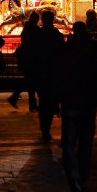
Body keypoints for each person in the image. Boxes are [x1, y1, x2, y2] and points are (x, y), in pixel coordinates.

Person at [59, 21, 97, 192]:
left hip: (70, 100)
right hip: (88, 101)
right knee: (86, 142)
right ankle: (83, 175)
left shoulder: (67, 49)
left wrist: (58, 98)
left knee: (68, 142)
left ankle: (73, 171)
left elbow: (61, 74)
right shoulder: (92, 49)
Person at [27, 8, 65, 141]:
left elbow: (32, 53)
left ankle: (44, 127)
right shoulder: (57, 35)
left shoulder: (37, 35)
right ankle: (48, 123)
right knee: (51, 98)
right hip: (53, 72)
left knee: (43, 100)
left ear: (42, 20)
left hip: (41, 72)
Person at [8, 10, 40, 111]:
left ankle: (31, 103)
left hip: (26, 56)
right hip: (32, 57)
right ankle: (16, 97)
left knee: (30, 80)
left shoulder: (27, 28)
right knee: (30, 80)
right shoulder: (35, 29)